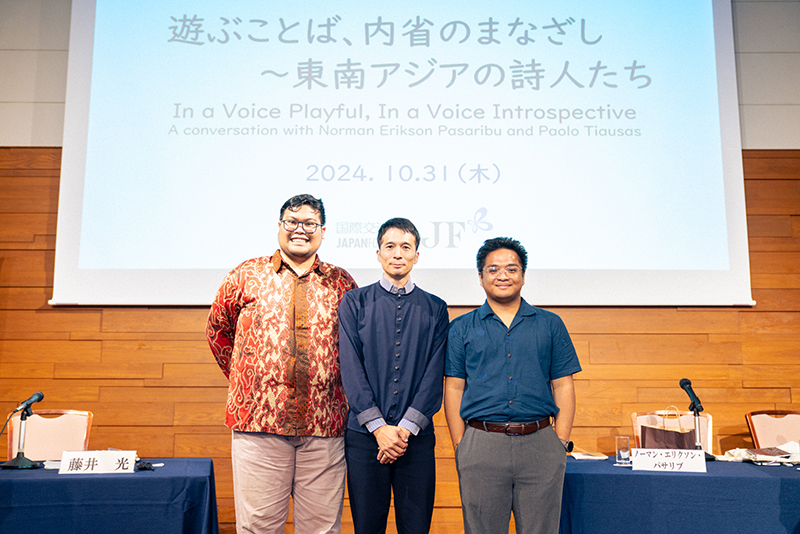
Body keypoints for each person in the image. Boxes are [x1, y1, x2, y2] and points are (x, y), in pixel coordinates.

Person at [206, 194, 357, 534]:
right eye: (292, 222)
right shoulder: (246, 274)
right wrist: (247, 379)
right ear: (279, 226)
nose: (300, 230)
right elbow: (218, 330)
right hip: (258, 427)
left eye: (309, 223)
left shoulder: (341, 282)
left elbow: (356, 347)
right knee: (259, 528)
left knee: (321, 530)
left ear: (322, 230)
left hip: (324, 428)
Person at [444, 237, 581, 534]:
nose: (502, 276)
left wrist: (559, 442)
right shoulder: (461, 328)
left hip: (541, 444)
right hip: (480, 443)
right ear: (480, 277)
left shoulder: (550, 324)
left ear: (523, 275)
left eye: (511, 269)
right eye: (493, 269)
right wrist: (461, 445)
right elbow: (453, 389)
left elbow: (564, 386)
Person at [338, 217, 449, 534]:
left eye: (406, 247)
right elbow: (351, 368)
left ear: (417, 255)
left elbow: (434, 373)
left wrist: (403, 431)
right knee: (367, 527)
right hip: (364, 439)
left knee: (415, 528)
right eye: (390, 246)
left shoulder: (436, 308)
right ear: (378, 254)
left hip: (415, 442)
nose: (397, 253)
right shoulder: (354, 302)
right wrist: (378, 428)